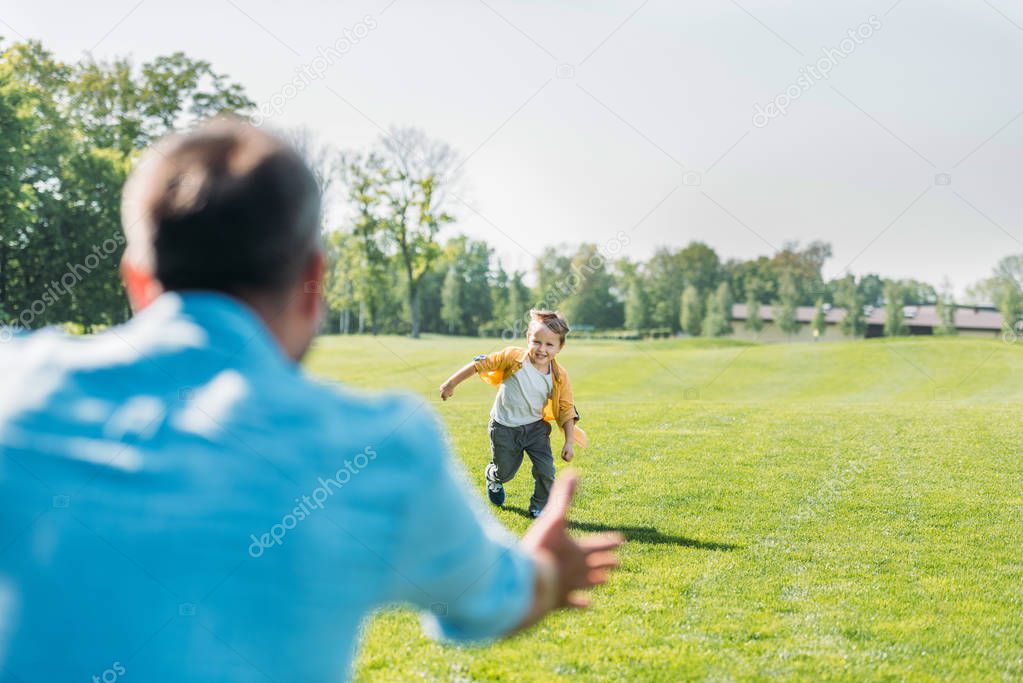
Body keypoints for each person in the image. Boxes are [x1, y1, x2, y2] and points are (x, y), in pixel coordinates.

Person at [0, 118, 622, 682]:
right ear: (311, 284)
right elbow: (492, 599)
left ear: (137, 278)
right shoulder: (384, 446)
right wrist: (545, 574)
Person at [439, 310, 586, 518]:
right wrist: (450, 384)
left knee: (546, 470)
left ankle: (539, 506)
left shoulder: (559, 376)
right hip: (504, 428)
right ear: (528, 339)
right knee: (505, 472)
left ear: (560, 347)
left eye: (549, 344)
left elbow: (566, 408)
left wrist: (569, 442)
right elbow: (481, 364)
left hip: (536, 429)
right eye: (537, 342)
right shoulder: (513, 358)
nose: (541, 349)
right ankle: (493, 476)